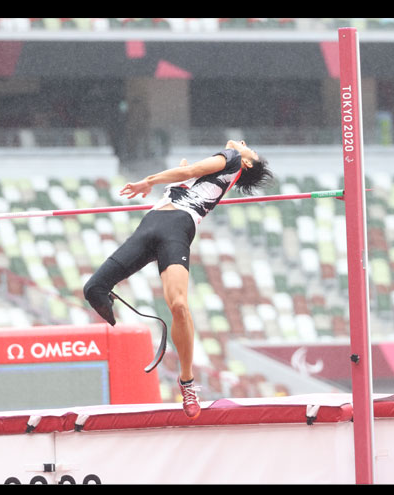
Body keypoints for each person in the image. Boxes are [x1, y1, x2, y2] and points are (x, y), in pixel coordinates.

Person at [83, 140, 273, 419]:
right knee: (94, 289)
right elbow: (188, 174)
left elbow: (189, 171)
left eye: (250, 149)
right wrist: (179, 176)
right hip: (150, 226)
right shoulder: (208, 177)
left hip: (176, 231)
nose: (243, 144)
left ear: (245, 163)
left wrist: (145, 182)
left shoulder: (231, 158)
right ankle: (116, 320)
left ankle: (187, 382)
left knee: (180, 306)